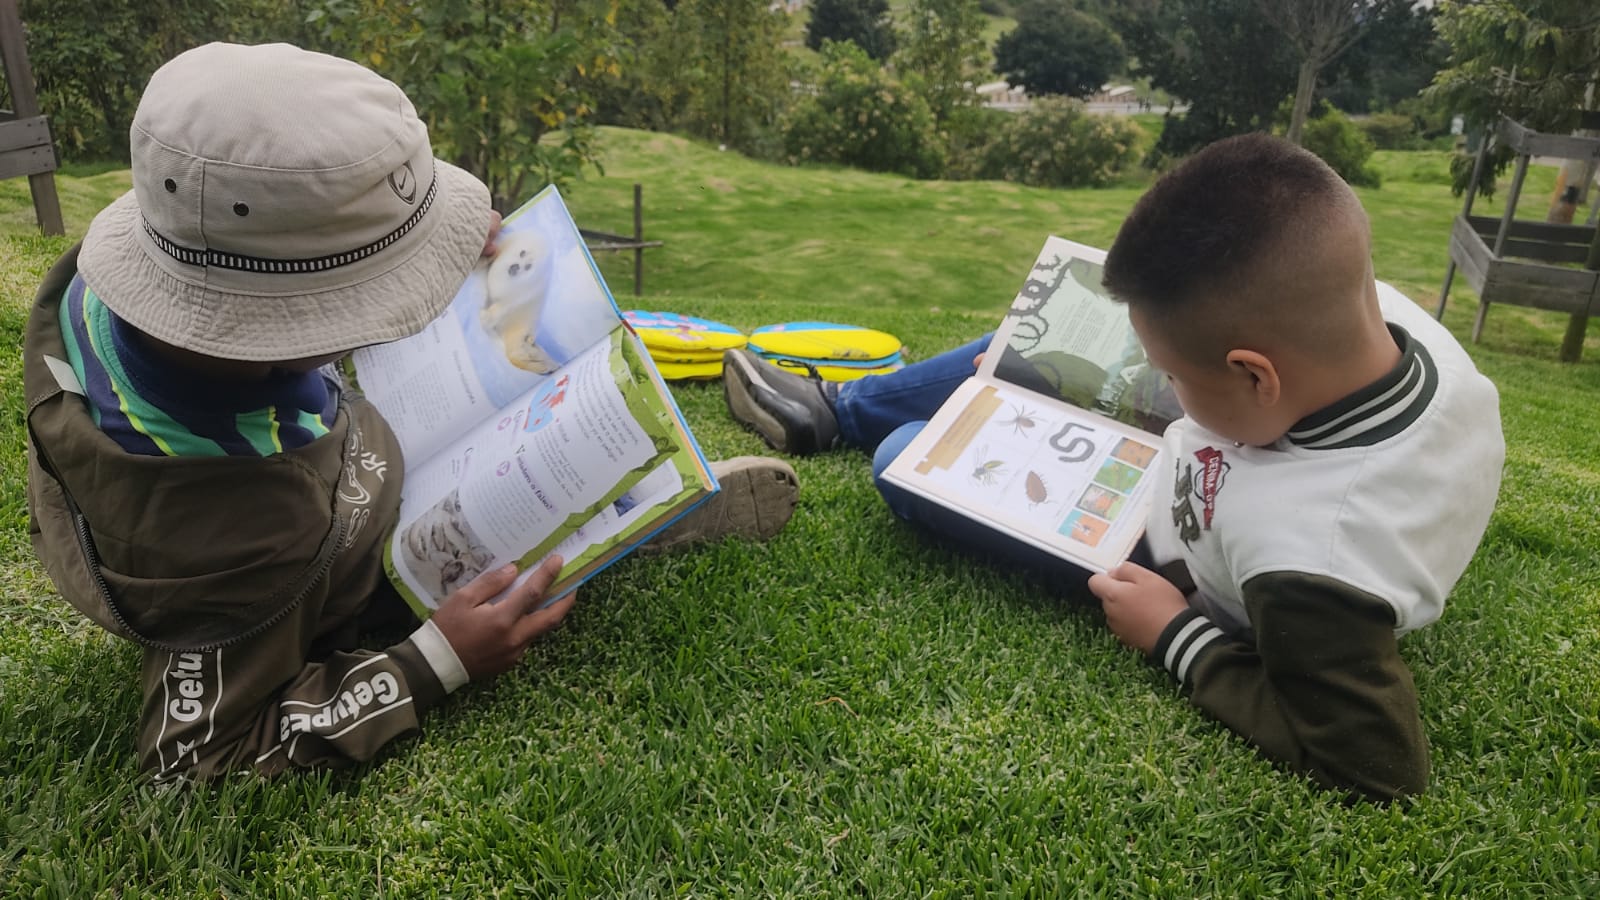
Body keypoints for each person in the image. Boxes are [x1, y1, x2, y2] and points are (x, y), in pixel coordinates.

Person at [24, 42, 797, 781]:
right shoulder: (231, 546)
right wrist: (432, 662)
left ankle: (611, 508)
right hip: (340, 550)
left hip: (339, 458)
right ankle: (607, 523)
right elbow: (191, 759)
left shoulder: (134, 280)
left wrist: (420, 247)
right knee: (509, 511)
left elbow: (260, 297)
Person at [721, 134, 1505, 801]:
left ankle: (857, 421)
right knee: (1059, 341)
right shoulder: (1385, 321)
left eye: (1177, 382)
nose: (1167, 389)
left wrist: (1175, 633)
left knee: (905, 458)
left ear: (1256, 374)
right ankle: (835, 412)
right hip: (1237, 445)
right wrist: (1188, 390)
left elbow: (1376, 766)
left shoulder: (1313, 560)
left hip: (1165, 553)